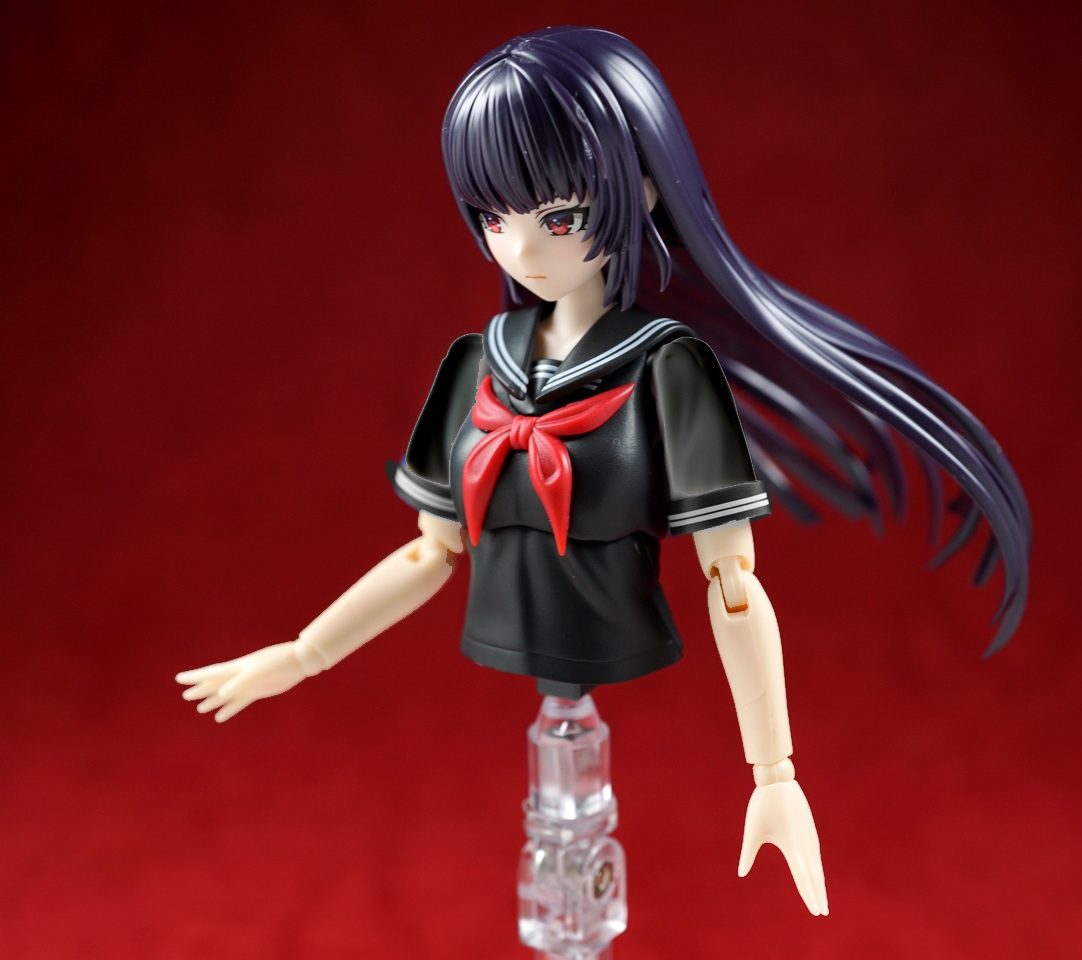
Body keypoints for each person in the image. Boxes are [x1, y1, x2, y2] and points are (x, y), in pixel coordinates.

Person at [177, 27, 1032, 923]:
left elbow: (732, 581)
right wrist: (304, 654)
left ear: (642, 191)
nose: (521, 250)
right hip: (516, 649)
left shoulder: (666, 366)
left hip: (613, 640)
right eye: (493, 218)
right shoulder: (476, 362)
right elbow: (431, 552)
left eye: (558, 218)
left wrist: (774, 774)